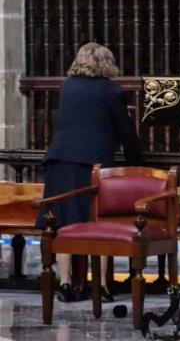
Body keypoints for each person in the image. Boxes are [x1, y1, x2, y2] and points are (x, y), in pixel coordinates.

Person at [37, 42, 143, 302]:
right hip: (92, 162)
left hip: (60, 158)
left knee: (62, 220)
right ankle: (103, 285)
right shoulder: (111, 90)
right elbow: (124, 130)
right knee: (99, 221)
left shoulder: (67, 87)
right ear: (107, 62)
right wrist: (136, 161)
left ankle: (65, 283)